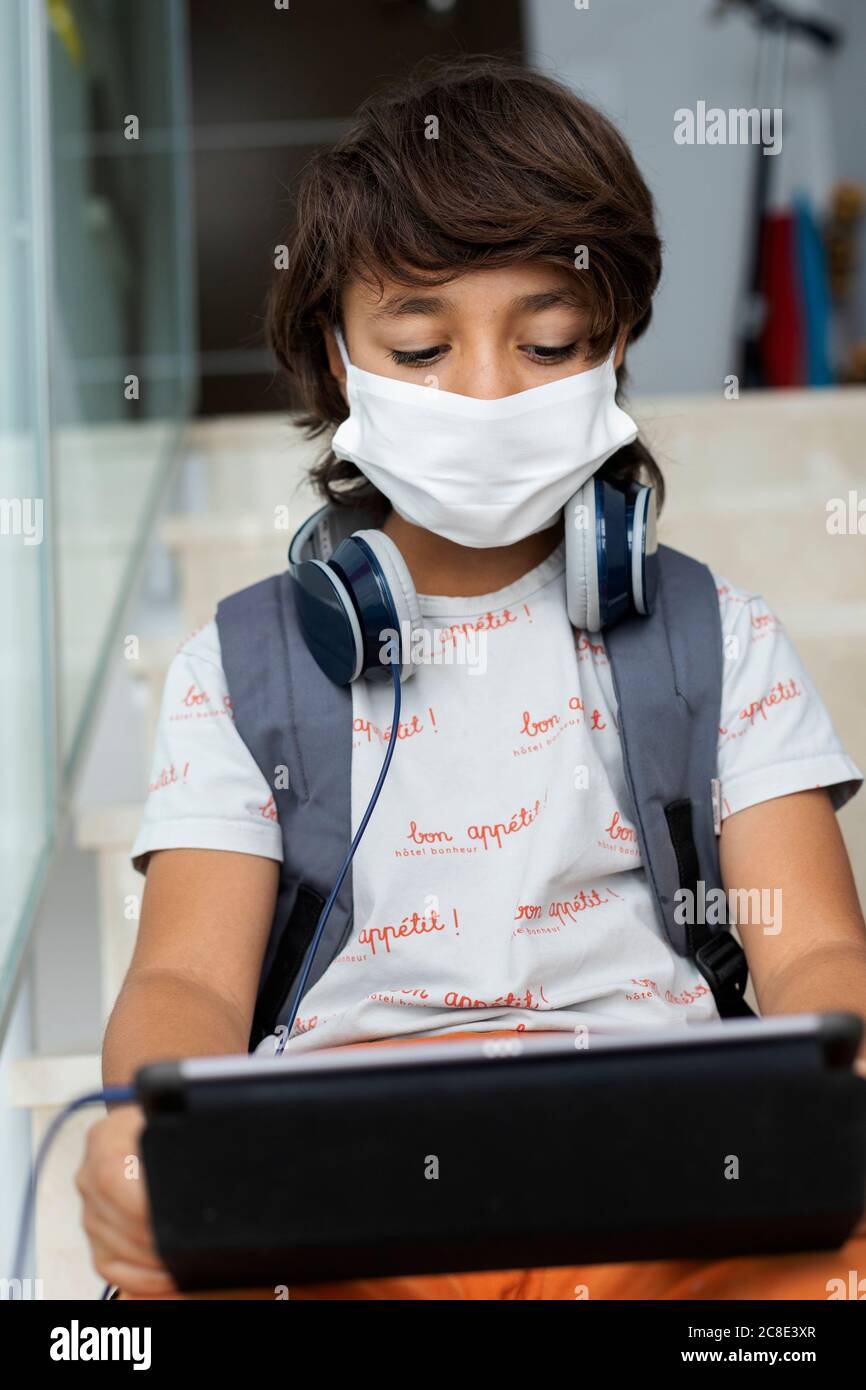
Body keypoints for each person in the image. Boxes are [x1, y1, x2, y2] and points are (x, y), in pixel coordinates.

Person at [77, 56, 866, 1302]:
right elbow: (183, 980)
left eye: (548, 339)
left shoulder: (721, 638)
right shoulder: (238, 668)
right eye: (421, 344)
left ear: (611, 349)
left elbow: (815, 952)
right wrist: (149, 1130)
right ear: (338, 359)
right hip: (348, 1194)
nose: (489, 390)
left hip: (656, 1177)